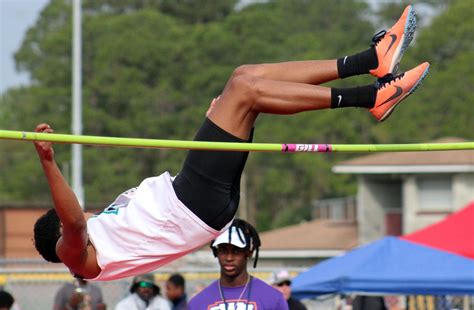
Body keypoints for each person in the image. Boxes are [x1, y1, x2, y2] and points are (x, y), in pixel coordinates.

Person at [32, 5, 429, 281]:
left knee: (244, 81)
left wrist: (212, 123)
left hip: (193, 198)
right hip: (192, 204)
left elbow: (85, 220)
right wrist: (49, 162)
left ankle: (370, 62)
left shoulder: (106, 231)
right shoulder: (79, 259)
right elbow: (72, 221)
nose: (78, 217)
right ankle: (371, 94)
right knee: (243, 90)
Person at [185, 219, 296, 310]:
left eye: (236, 251)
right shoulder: (198, 304)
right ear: (216, 251)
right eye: (223, 250)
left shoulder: (273, 299)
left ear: (248, 252)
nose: (229, 257)